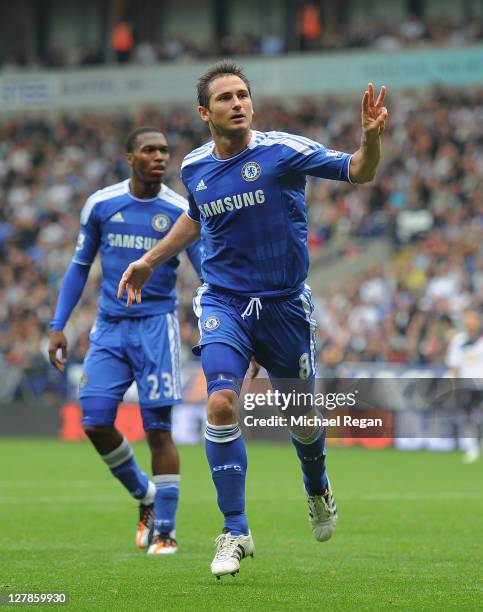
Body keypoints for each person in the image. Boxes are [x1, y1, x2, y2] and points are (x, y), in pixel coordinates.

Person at [117, 61, 388, 578]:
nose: (237, 102)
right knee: (220, 403)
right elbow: (196, 218)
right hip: (225, 303)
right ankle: (235, 530)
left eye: (243, 94)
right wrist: (150, 261)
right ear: (205, 112)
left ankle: (317, 487)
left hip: (285, 305)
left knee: (302, 421)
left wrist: (370, 140)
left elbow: (360, 170)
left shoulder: (282, 151)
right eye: (225, 98)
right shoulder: (195, 167)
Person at [49, 127, 202, 555]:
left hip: (156, 327)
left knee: (158, 430)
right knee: (95, 421)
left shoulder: (180, 210)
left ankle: (166, 531)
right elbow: (80, 266)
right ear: (129, 157)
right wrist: (58, 323)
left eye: (164, 151)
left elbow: (205, 270)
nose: (159, 157)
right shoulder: (101, 204)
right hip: (110, 327)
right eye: (149, 150)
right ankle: (145, 495)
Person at [446, 309, 483, 463]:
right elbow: (454, 365)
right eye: (468, 321)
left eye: (473, 320)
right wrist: (455, 386)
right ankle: (473, 446)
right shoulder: (459, 340)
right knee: (468, 416)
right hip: (467, 384)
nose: (471, 324)